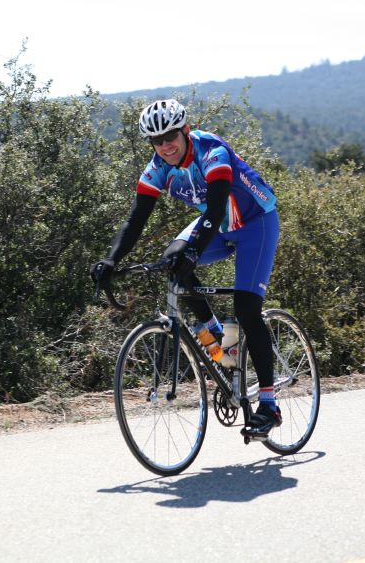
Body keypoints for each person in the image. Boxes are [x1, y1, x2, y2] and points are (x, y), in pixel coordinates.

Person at [91, 99, 281, 434]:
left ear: (186, 130)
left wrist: (194, 251)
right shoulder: (158, 167)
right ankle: (221, 341)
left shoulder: (212, 151)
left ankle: (269, 404)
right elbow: (136, 219)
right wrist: (111, 259)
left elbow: (217, 206)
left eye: (171, 136)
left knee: (246, 307)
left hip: (255, 223)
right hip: (220, 225)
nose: (165, 145)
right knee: (171, 260)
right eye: (157, 140)